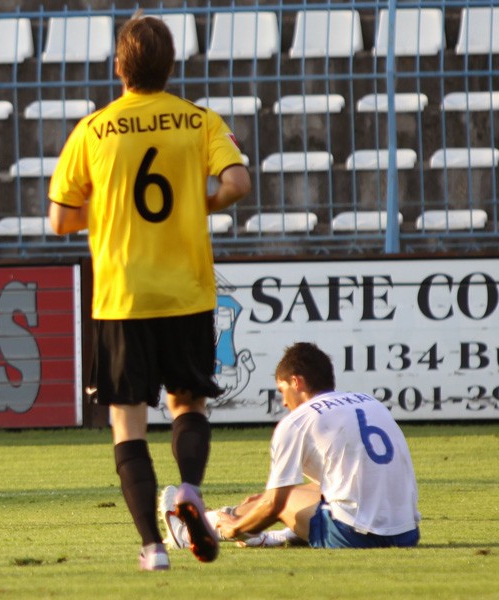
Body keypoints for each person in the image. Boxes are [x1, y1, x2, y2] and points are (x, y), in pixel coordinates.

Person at [47, 13, 251, 571]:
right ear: (171, 67)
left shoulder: (93, 130)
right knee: (188, 403)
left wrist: (104, 209)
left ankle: (153, 548)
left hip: (122, 296)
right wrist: (199, 201)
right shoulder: (199, 120)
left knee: (127, 421)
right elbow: (237, 182)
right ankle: (188, 490)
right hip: (187, 292)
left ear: (119, 66)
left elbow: (60, 219)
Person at [162, 342, 421, 551]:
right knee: (292, 493)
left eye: (281, 389)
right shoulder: (369, 402)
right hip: (407, 533)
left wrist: (234, 528)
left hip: (357, 536)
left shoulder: (296, 421)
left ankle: (189, 533)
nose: (284, 402)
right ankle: (277, 535)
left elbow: (274, 505)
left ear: (296, 382)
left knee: (276, 500)